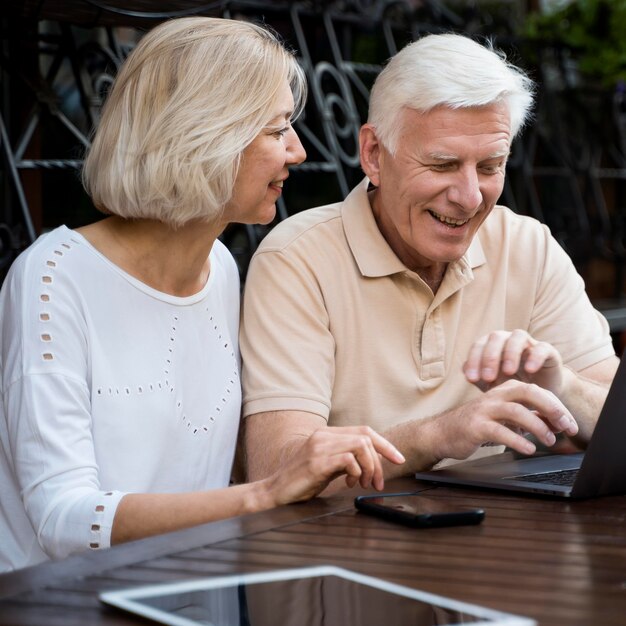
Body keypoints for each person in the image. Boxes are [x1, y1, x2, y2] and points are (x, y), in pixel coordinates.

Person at [0, 17, 405, 573]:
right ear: (203, 134)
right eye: (276, 129)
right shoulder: (52, 277)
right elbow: (64, 520)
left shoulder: (220, 268)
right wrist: (265, 494)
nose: (298, 151)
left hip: (192, 597)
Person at [240, 33, 619, 488]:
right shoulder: (297, 260)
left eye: (489, 166)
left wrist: (564, 385)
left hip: (492, 542)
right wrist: (439, 435)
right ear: (374, 155)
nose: (470, 197)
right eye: (442, 165)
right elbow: (276, 471)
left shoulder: (526, 246)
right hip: (337, 545)